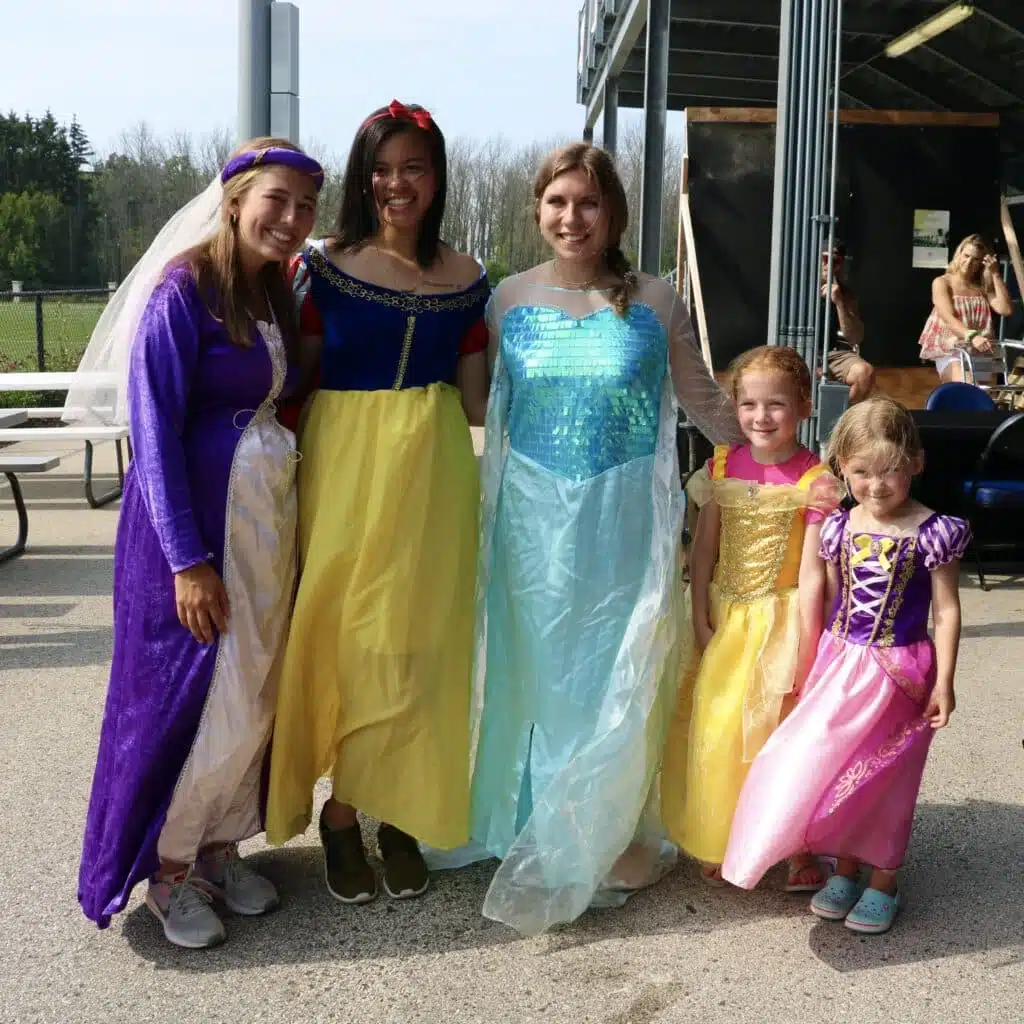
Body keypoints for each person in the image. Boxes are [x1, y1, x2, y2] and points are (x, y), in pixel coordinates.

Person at [468, 142, 742, 936]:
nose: (571, 217)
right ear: (537, 211)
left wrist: (789, 462)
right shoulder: (507, 300)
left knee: (619, 663)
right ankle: (542, 822)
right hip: (533, 518)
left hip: (625, 513)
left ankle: (611, 826)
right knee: (544, 664)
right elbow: (475, 406)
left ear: (613, 213)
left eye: (587, 203)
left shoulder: (654, 300)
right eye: (557, 202)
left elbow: (704, 403)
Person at [75, 139, 323, 948]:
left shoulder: (271, 294)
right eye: (276, 201)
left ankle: (216, 850)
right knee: (187, 696)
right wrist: (187, 561)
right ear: (235, 200)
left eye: (304, 207)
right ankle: (165, 872)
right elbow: (152, 430)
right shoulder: (183, 293)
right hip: (194, 534)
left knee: (249, 689)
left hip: (260, 525)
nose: (290, 220)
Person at [265, 101, 490, 905]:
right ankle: (340, 814)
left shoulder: (468, 278)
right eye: (383, 168)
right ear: (365, 178)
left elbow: (479, 402)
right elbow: (290, 378)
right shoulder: (322, 265)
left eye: (414, 168)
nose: (397, 183)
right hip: (346, 459)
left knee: (419, 640)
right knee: (350, 635)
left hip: (433, 466)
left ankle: (399, 812)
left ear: (436, 179)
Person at [722, 398, 968, 935]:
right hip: (841, 662)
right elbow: (834, 598)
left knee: (888, 775)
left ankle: (885, 879)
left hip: (899, 671)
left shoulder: (934, 532)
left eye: (891, 472)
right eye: (861, 472)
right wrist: (813, 664)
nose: (876, 485)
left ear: (917, 464)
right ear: (842, 469)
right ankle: (844, 865)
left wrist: (944, 682)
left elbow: (946, 612)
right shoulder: (837, 526)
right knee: (831, 765)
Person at [660, 346, 840, 888]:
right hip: (723, 618)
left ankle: (794, 850)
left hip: (781, 624)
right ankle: (726, 835)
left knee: (776, 736)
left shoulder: (815, 480)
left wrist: (809, 647)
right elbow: (703, 551)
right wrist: (698, 615)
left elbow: (813, 574)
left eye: (777, 405)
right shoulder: (721, 466)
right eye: (749, 405)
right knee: (719, 730)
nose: (762, 417)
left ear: (805, 407)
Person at [918, 234, 1013, 382]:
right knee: (968, 387)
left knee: (985, 398)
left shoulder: (982, 286)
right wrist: (973, 336)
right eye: (966, 255)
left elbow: (1005, 309)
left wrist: (995, 273)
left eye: (975, 259)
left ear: (982, 262)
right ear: (959, 254)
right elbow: (948, 317)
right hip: (953, 350)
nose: (968, 262)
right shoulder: (942, 282)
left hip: (981, 350)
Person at [821, 243, 874, 403]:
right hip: (799, 349)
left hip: (831, 353)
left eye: (835, 262)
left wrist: (839, 303)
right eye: (824, 259)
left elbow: (855, 338)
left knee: (864, 373)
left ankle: (841, 421)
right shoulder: (800, 285)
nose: (828, 265)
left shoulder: (845, 293)